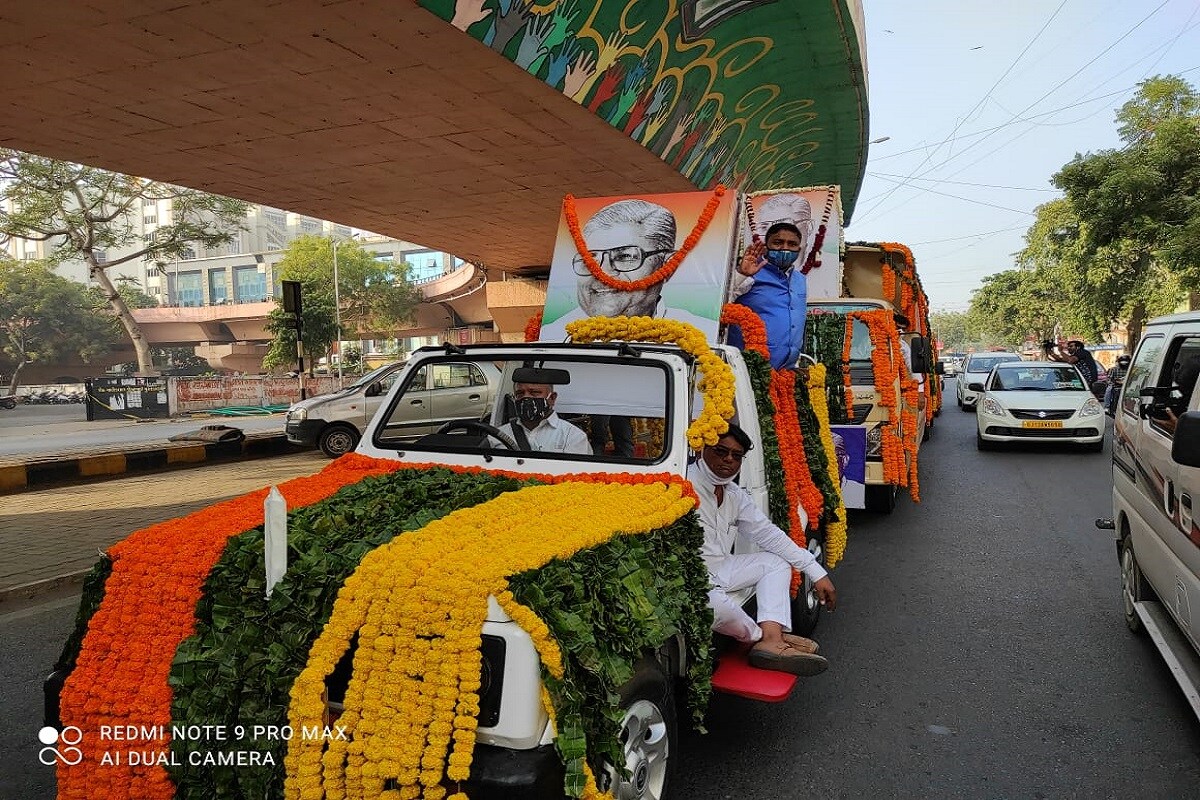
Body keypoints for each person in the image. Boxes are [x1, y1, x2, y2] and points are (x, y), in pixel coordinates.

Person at [688, 424, 836, 675]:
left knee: (775, 563)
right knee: (715, 608)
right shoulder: (682, 483)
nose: (728, 460)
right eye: (721, 451)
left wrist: (816, 571)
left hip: (722, 568)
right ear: (702, 449)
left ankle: (771, 640)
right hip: (691, 581)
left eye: (737, 456)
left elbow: (770, 535)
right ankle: (767, 639)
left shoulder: (734, 494)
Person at [544, 198, 714, 335]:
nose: (602, 272)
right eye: (589, 260)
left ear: (668, 266)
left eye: (624, 256)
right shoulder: (553, 337)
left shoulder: (702, 336)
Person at [727, 221, 808, 369]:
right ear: (766, 246)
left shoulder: (800, 280)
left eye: (792, 244)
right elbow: (722, 304)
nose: (785, 248)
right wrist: (741, 275)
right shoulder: (751, 272)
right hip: (748, 368)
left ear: (799, 248)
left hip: (786, 372)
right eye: (778, 242)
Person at [494, 367, 591, 454]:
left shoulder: (572, 437)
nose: (526, 397)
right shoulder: (498, 435)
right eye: (520, 393)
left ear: (552, 398)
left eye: (534, 392)